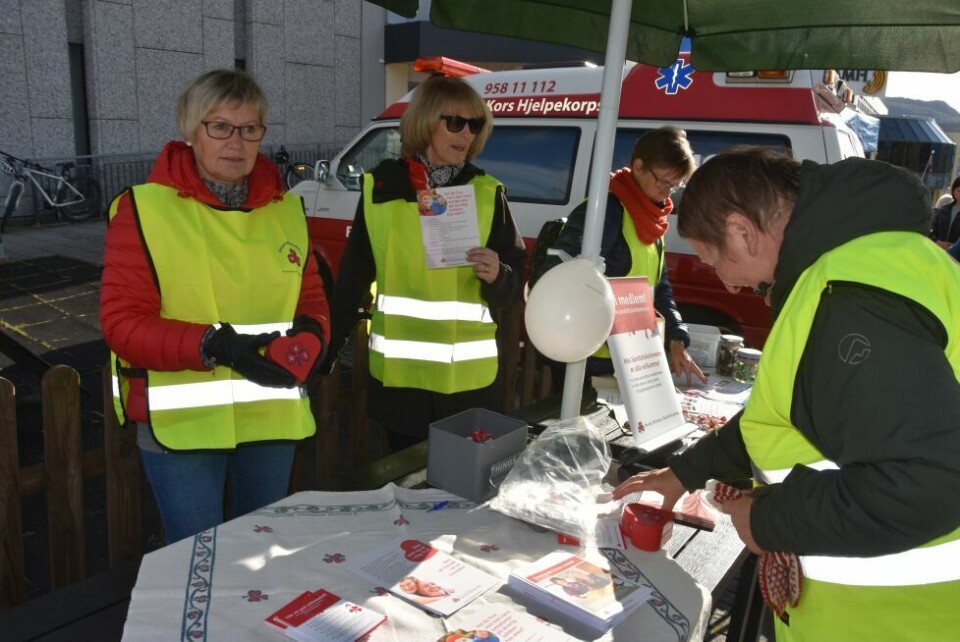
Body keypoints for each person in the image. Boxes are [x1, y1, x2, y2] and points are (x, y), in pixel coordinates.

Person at [613, 148, 960, 641]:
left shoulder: (849, 298)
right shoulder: (855, 266)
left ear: (741, 230)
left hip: (899, 620)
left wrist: (768, 518)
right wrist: (686, 471)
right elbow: (784, 415)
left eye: (714, 262)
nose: (727, 285)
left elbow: (926, 483)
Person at [100, 68, 330, 544]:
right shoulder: (142, 209)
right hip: (182, 425)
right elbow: (122, 325)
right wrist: (214, 346)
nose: (237, 142)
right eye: (220, 126)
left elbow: (311, 298)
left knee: (260, 551)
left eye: (250, 129)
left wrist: (312, 337)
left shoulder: (287, 208)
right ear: (190, 130)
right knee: (195, 558)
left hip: (270, 413)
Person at [324, 74, 526, 452]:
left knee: (461, 496)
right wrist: (323, 356)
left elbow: (514, 285)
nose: (465, 134)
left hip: (468, 385)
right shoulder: (380, 190)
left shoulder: (487, 193)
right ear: (425, 122)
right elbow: (352, 281)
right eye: (454, 122)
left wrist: (499, 275)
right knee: (408, 495)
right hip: (403, 385)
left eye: (475, 124)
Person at [542, 127, 705, 388]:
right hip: (589, 360)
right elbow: (563, 278)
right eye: (663, 181)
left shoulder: (653, 220)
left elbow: (660, 290)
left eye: (675, 185)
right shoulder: (603, 211)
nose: (668, 191)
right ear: (638, 166)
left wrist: (677, 338)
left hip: (631, 358)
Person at [930, 175, 960, 248]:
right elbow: (932, 230)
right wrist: (937, 242)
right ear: (953, 191)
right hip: (938, 251)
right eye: (959, 191)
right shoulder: (944, 210)